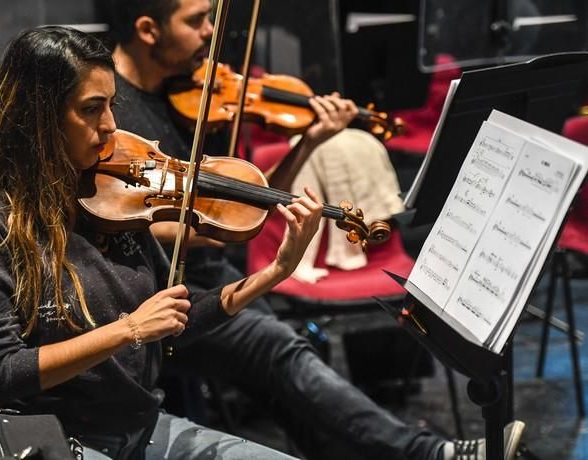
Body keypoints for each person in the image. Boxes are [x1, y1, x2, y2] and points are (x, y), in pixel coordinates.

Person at [100, 1, 526, 459]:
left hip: (210, 273)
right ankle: (427, 453)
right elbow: (161, 224)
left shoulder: (186, 95)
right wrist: (205, 231)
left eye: (210, 17)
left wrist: (311, 140)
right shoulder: (107, 111)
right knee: (277, 349)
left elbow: (246, 204)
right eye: (195, 20)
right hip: (155, 298)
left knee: (286, 378)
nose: (209, 33)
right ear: (147, 29)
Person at [0, 26, 326, 460]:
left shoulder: (114, 197)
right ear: (39, 116)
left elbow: (174, 320)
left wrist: (274, 272)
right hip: (56, 441)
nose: (111, 126)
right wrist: (129, 329)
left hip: (144, 429)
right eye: (91, 109)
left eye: (111, 105)